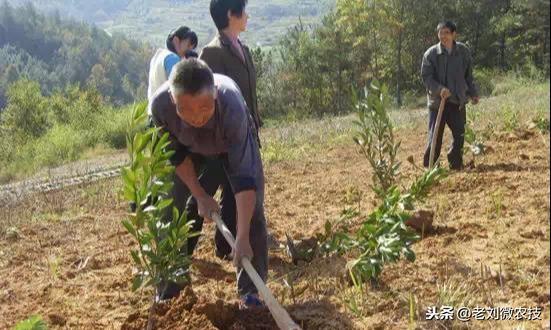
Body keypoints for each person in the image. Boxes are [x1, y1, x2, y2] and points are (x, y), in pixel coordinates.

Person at [149, 58, 268, 309]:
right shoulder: (160, 107)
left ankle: (251, 293)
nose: (196, 117)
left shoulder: (231, 106)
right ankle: (172, 292)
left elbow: (244, 178)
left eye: (204, 108)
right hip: (187, 149)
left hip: (228, 146)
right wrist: (200, 194)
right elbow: (175, 156)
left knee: (251, 212)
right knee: (169, 206)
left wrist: (243, 237)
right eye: (186, 110)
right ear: (173, 100)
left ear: (214, 93)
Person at [421, 20, 480, 170]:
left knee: (460, 133)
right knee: (435, 135)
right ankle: (431, 167)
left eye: (446, 32)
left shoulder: (463, 52)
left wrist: (472, 93)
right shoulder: (431, 54)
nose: (443, 36)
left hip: (457, 101)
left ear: (454, 34)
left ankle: (455, 162)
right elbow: (427, 77)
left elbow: (468, 76)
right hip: (437, 103)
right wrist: (439, 89)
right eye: (440, 33)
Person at [147, 26, 198, 103]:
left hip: (154, 108)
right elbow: (180, 89)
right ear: (176, 41)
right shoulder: (173, 59)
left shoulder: (158, 56)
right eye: (188, 46)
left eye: (192, 48)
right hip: (166, 109)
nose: (189, 51)